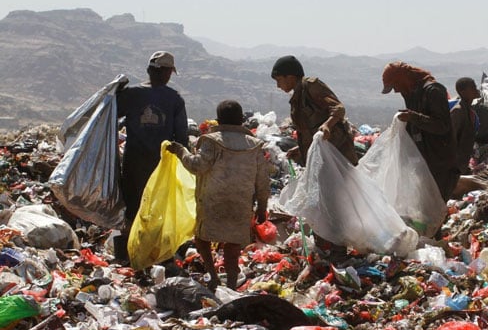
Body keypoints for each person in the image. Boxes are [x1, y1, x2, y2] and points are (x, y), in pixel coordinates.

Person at [167, 100, 270, 291]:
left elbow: (197, 166)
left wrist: (181, 151)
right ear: (241, 120)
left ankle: (213, 277)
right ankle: (231, 285)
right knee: (233, 246)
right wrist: (262, 206)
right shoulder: (255, 146)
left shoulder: (211, 141)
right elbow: (262, 180)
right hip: (240, 203)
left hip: (213, 201)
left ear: (218, 119)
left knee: (202, 238)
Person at [270, 55, 357, 259]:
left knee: (333, 204)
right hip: (319, 161)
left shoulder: (311, 86)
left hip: (335, 158)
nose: (278, 86)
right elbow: (307, 131)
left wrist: (328, 125)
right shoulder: (297, 97)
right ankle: (325, 248)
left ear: (290, 77)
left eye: (279, 80)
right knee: (320, 203)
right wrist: (300, 150)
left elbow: (338, 108)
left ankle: (338, 251)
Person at [113, 51, 189, 264]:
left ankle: (130, 254)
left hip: (133, 161)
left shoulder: (131, 94)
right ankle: (156, 254)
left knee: (133, 206)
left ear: (149, 70)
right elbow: (181, 137)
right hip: (160, 165)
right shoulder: (174, 99)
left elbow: (108, 115)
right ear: (166, 72)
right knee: (158, 208)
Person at [381, 61, 459, 203]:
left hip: (439, 158)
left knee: (437, 199)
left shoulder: (433, 91)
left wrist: (413, 117)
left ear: (402, 78)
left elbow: (442, 126)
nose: (396, 91)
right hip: (423, 157)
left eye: (394, 86)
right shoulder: (410, 92)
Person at [450, 77, 479, 175]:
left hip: (462, 162)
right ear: (462, 92)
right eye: (472, 87)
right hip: (454, 165)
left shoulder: (469, 110)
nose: (476, 89)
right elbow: (450, 139)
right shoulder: (458, 111)